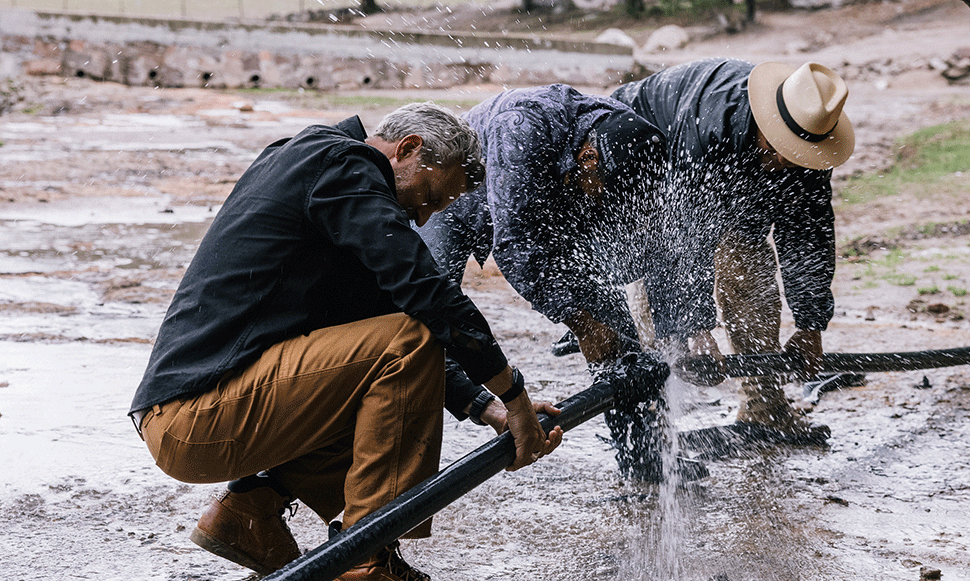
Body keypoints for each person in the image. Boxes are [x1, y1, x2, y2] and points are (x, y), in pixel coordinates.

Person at [128, 102, 564, 581]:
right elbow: (426, 298)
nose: (421, 220)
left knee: (393, 372)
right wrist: (515, 397)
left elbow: (392, 325)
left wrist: (487, 407)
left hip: (197, 413)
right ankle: (363, 560)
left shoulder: (320, 173)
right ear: (410, 150)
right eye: (428, 198)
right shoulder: (339, 162)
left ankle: (251, 513)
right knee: (411, 337)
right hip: (198, 414)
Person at [416, 84, 677, 482]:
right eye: (606, 190)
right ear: (589, 158)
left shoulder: (624, 135)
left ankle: (645, 460)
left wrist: (684, 327)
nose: (607, 200)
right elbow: (515, 245)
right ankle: (413, 468)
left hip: (545, 198)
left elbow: (651, 244)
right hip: (453, 202)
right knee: (425, 320)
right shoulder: (519, 126)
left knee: (619, 335)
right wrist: (580, 318)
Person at [610, 59, 855, 436]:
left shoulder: (811, 143)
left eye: (797, 157)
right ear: (767, 123)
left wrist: (810, 324)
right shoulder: (709, 129)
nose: (785, 164)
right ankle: (648, 423)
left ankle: (764, 406)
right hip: (648, 154)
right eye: (779, 151)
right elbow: (680, 237)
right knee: (658, 306)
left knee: (750, 271)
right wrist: (696, 328)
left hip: (728, 177)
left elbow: (808, 233)